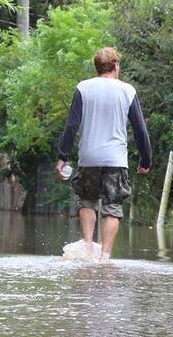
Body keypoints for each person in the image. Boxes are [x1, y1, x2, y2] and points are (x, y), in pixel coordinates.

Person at [56, 47, 152, 260]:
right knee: (113, 207)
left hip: (89, 158)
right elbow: (140, 129)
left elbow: (71, 126)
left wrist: (63, 156)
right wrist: (146, 159)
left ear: (96, 67)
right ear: (116, 65)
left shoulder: (83, 88)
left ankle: (89, 247)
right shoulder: (128, 91)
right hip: (116, 160)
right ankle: (104, 256)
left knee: (87, 202)